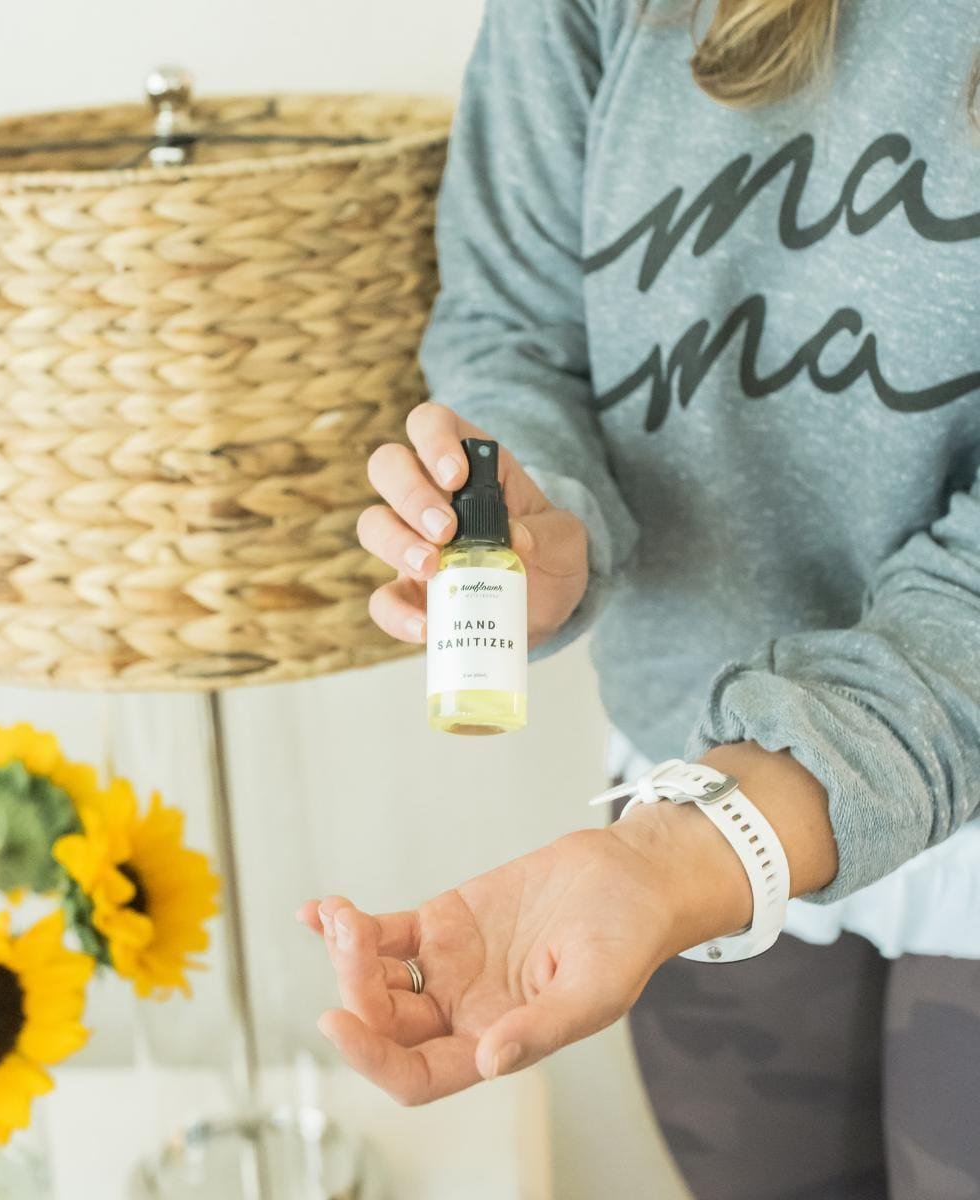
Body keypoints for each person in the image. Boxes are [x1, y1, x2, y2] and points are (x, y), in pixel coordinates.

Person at [297, 1, 980, 1196]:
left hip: (731, 824)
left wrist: (695, 848)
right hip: (696, 772)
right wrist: (541, 514)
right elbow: (514, 327)